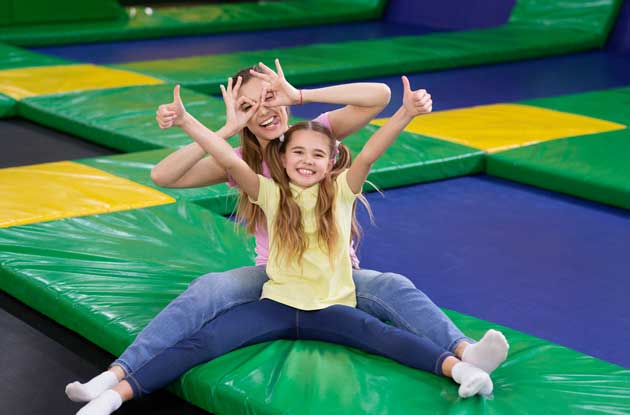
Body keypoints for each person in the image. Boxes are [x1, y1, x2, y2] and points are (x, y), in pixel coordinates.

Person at [66, 60, 508, 411]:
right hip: (273, 275)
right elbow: (165, 175)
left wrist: (299, 93)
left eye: (269, 97)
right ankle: (116, 374)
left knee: (393, 286)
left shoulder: (313, 136)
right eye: (250, 105)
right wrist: (225, 127)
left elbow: (380, 97)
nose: (265, 109)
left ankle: (466, 352)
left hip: (335, 275)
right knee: (210, 289)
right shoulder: (240, 159)